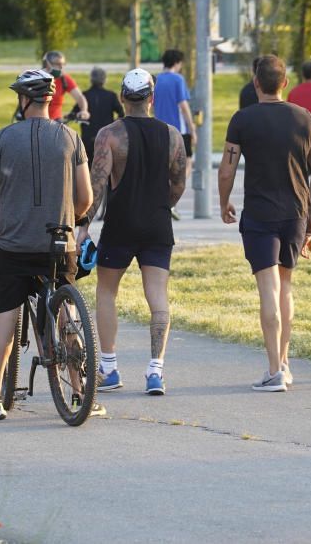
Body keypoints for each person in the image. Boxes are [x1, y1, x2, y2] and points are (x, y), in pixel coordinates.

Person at [0, 69, 95, 420]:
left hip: (15, 246)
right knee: (66, 314)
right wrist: (69, 218)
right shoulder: (70, 138)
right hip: (59, 246)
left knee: (5, 317)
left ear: (24, 100)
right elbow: (86, 197)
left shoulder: (5, 138)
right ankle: (79, 393)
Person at [217, 54, 311, 393]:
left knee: (269, 289)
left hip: (260, 214)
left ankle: (273, 370)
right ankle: (286, 363)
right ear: (285, 83)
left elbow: (226, 169)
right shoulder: (307, 119)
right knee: (286, 288)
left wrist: (224, 203)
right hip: (295, 213)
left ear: (255, 83)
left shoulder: (242, 120)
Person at [78, 68, 186, 396]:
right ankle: (156, 372)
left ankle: (109, 367)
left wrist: (82, 225)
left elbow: (96, 187)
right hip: (157, 224)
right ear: (151, 98)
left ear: (123, 98)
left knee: (107, 292)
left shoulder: (109, 135)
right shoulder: (172, 135)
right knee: (157, 297)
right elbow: (178, 185)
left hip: (121, 224)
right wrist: (161, 205)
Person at [153, 49, 197, 220]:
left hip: (160, 129)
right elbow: (184, 107)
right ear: (177, 63)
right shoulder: (178, 79)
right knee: (187, 163)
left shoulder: (156, 79)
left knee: (164, 166)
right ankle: (172, 198)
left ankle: (166, 198)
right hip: (179, 130)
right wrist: (193, 129)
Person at [73, 66, 123, 164]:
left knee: (88, 167)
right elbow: (121, 113)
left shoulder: (84, 96)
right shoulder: (111, 95)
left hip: (87, 139)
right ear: (104, 80)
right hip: (106, 138)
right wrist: (114, 125)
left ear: (91, 79)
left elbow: (74, 114)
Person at [41, 51, 90, 122]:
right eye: (58, 64)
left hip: (56, 122)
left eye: (63, 64)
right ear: (47, 64)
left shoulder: (64, 79)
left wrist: (84, 110)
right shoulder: (37, 78)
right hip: (37, 121)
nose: (61, 67)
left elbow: (79, 97)